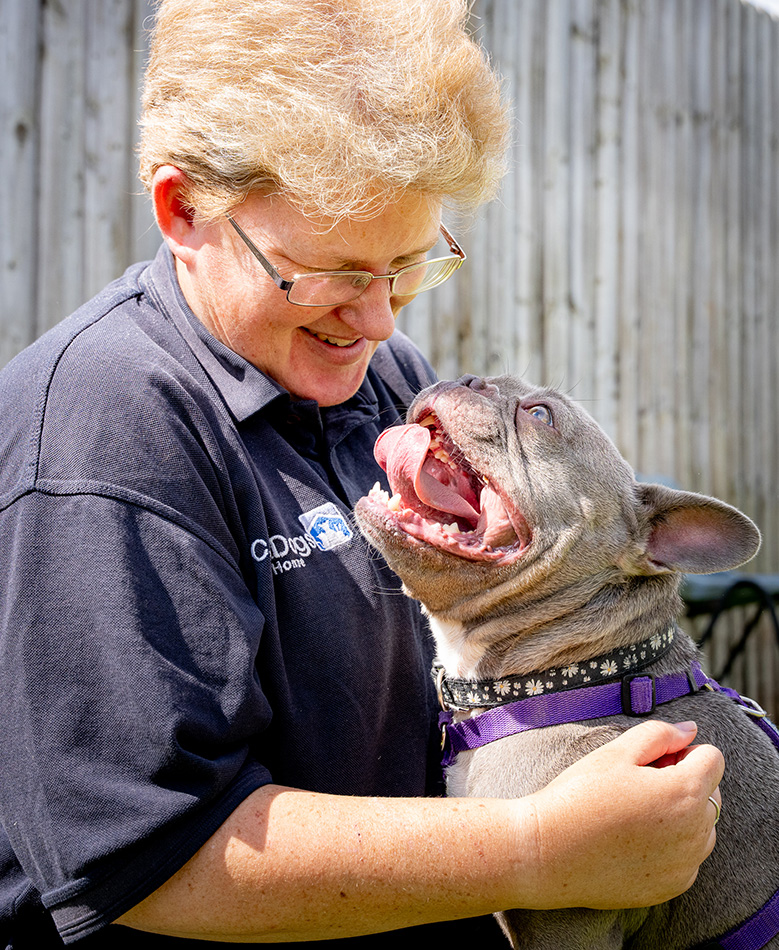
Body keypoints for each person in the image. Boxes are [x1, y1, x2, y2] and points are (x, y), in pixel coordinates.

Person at [0, 1, 723, 947]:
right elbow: (149, 861)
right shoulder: (99, 435)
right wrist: (537, 846)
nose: (379, 322)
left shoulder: (373, 371)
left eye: (407, 265)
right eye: (336, 273)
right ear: (183, 210)